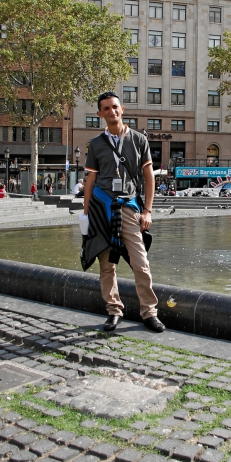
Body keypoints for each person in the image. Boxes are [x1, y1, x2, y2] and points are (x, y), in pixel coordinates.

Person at [81, 91, 164, 333]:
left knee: (141, 262)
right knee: (106, 265)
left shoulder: (139, 140)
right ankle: (114, 310)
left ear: (122, 109)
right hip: (101, 208)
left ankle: (149, 312)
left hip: (129, 208)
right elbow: (90, 180)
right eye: (106, 108)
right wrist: (86, 215)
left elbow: (149, 177)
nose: (111, 111)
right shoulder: (96, 144)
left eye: (115, 107)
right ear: (100, 114)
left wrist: (147, 210)